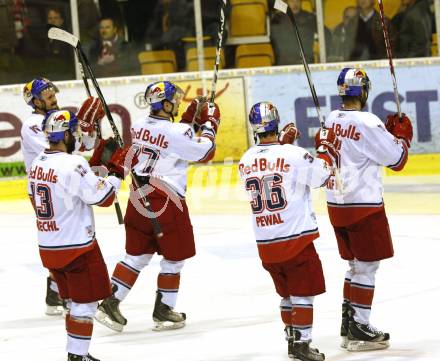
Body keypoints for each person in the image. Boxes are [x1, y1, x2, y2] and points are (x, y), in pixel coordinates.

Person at [94, 81, 220, 332]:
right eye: (174, 100)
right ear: (164, 104)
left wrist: (188, 118)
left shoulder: (139, 125)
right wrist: (210, 125)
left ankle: (110, 302)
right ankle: (163, 310)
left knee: (136, 256)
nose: (176, 103)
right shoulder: (177, 132)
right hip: (167, 201)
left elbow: (171, 139)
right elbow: (203, 152)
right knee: (174, 259)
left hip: (139, 197)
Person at [238, 102, 341, 360]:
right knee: (303, 293)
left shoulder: (245, 159)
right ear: (276, 123)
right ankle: (302, 345)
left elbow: (269, 165)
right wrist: (325, 148)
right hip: (294, 239)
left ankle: (291, 340)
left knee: (286, 294)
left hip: (266, 243)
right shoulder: (293, 155)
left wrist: (284, 144)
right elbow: (320, 176)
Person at [323, 68, 413, 351]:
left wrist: (387, 134)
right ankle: (360, 326)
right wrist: (401, 137)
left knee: (355, 265)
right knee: (366, 267)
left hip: (336, 204)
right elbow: (397, 160)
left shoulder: (332, 118)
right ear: (363, 91)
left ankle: (349, 322)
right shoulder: (369, 122)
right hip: (362, 205)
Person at [28, 109, 129, 361]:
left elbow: (41, 196)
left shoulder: (37, 163)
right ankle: (77, 355)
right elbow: (104, 198)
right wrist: (117, 172)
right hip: (77, 247)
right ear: (64, 134)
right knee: (85, 304)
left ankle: (77, 354)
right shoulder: (73, 164)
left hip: (49, 246)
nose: (77, 134)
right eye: (73, 131)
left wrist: (99, 168)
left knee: (73, 302)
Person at [21, 78, 105, 315]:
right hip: (48, 184)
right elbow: (60, 151)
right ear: (35, 101)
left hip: (59, 183)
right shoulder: (33, 124)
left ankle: (55, 293)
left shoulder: (56, 119)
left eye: (52, 93)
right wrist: (84, 125)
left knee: (63, 236)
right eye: (46, 95)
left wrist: (91, 127)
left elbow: (83, 145)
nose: (53, 98)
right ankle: (61, 292)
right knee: (64, 237)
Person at [271, 0, 331, 65]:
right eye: (292, 1)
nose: (295, 3)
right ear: (286, 2)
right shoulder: (278, 19)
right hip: (285, 64)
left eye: (297, 0)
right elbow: (274, 41)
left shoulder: (309, 18)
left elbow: (326, 33)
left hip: (305, 63)